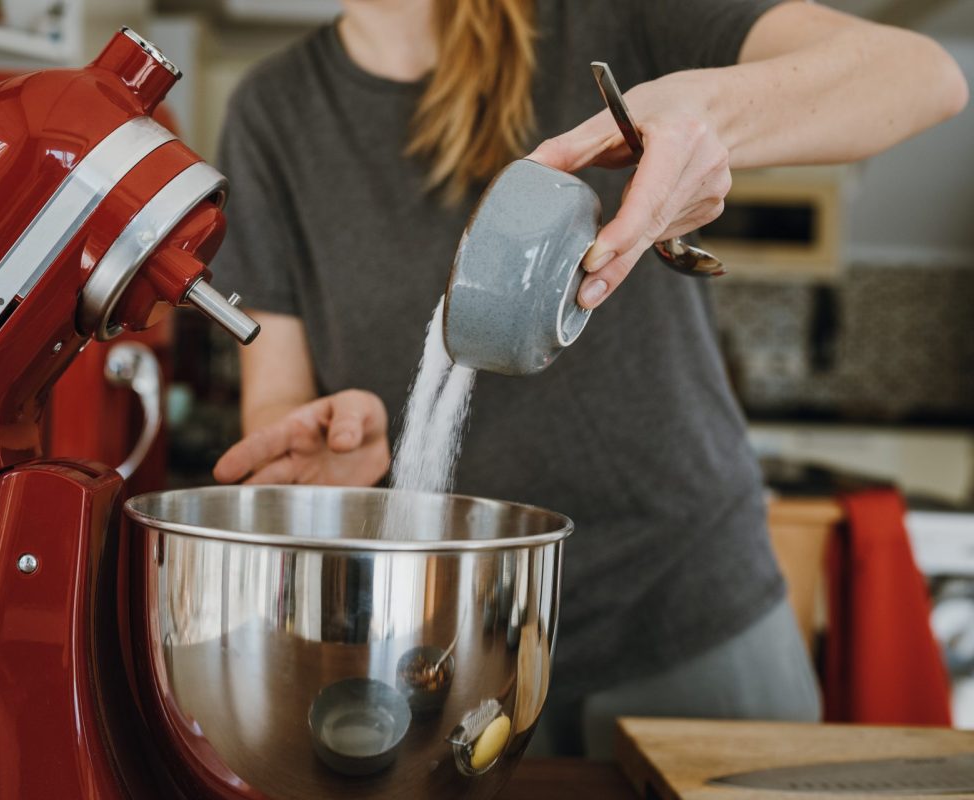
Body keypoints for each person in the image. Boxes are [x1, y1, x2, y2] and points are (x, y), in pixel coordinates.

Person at [208, 0, 967, 758]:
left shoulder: (605, 19)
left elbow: (923, 78)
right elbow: (276, 397)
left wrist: (704, 112)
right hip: (452, 646)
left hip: (689, 610)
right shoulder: (272, 112)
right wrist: (326, 447)